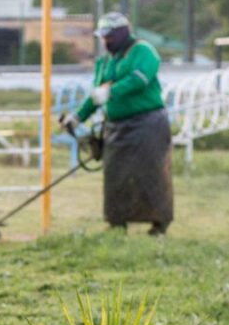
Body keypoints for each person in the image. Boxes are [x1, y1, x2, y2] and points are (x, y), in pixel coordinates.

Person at [60, 12, 173, 235]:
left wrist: (111, 91)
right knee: (116, 176)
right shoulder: (105, 61)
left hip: (148, 124)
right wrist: (78, 116)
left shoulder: (143, 51)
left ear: (122, 33)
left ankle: (159, 223)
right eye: (103, 37)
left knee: (151, 174)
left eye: (109, 36)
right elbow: (96, 95)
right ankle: (116, 222)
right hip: (117, 127)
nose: (106, 41)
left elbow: (139, 79)